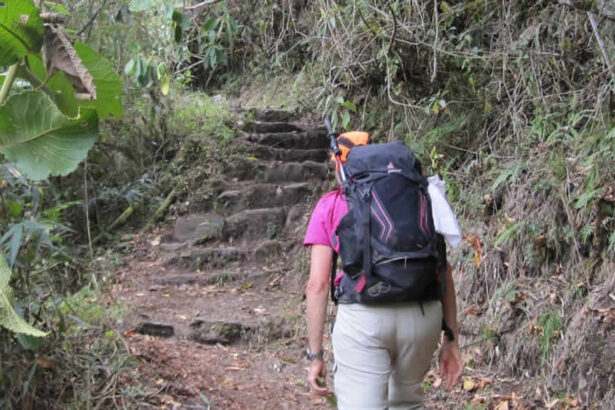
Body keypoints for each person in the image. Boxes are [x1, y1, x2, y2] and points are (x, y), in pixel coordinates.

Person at [303, 132, 463, 409]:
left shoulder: (332, 203)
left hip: (365, 319)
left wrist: (315, 355)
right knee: (407, 402)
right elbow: (443, 269)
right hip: (423, 315)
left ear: (340, 164)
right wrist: (451, 339)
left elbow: (317, 285)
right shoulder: (421, 194)